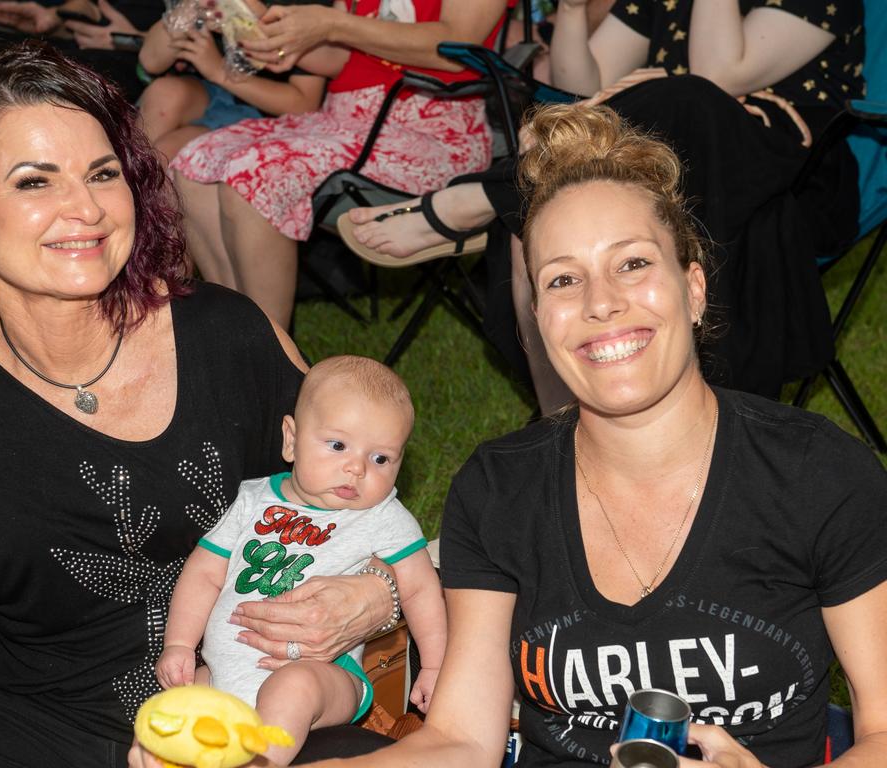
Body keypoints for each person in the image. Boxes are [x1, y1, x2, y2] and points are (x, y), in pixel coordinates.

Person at [0, 41, 404, 767]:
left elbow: (368, 500)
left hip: (246, 716)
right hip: (46, 731)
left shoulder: (228, 335)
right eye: (34, 182)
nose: (84, 208)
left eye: (102, 173)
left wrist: (377, 594)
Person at [303, 103, 887, 768]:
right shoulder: (500, 489)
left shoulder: (816, 475)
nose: (599, 301)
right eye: (562, 278)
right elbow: (463, 738)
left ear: (694, 290)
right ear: (537, 319)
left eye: (633, 264)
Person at [342, 0, 866, 409]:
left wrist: (655, 90)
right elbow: (573, 90)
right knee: (544, 212)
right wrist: (571, 12)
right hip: (666, 169)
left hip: (787, 175)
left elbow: (718, 74)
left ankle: (481, 196)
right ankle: (561, 432)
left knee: (686, 99)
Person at [156, 355, 446, 765]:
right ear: (290, 439)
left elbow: (419, 587)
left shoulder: (383, 516)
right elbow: (203, 573)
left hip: (326, 675)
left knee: (292, 687)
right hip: (224, 672)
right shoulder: (252, 500)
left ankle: (262, 761)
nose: (356, 468)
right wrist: (180, 644)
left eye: (380, 458)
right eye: (338, 445)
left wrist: (434, 667)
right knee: (180, 703)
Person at [169, 0, 512, 331]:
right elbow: (340, 58)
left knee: (255, 177)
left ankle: (273, 364)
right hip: (344, 121)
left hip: (430, 131)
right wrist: (268, 34)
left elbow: (455, 46)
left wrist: (333, 23)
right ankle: (241, 334)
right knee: (193, 166)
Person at [136, 0, 328, 162]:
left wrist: (218, 71)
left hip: (270, 111)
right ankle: (126, 185)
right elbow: (151, 61)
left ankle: (140, 196)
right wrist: (190, 7)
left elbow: (304, 104)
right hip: (213, 91)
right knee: (164, 93)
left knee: (168, 152)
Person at [0, 0, 162, 111]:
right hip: (85, 42)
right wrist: (54, 18)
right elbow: (93, 8)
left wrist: (136, 40)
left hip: (150, 60)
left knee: (42, 75)